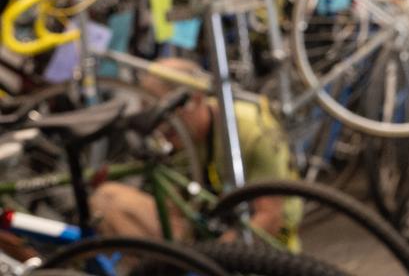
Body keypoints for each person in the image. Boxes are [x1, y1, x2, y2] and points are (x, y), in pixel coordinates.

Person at [91, 58, 302, 250]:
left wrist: (212, 257)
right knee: (108, 198)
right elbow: (173, 212)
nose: (162, 127)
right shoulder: (180, 141)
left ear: (197, 98)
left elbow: (271, 217)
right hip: (206, 235)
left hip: (266, 249)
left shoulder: (250, 130)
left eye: (169, 114)